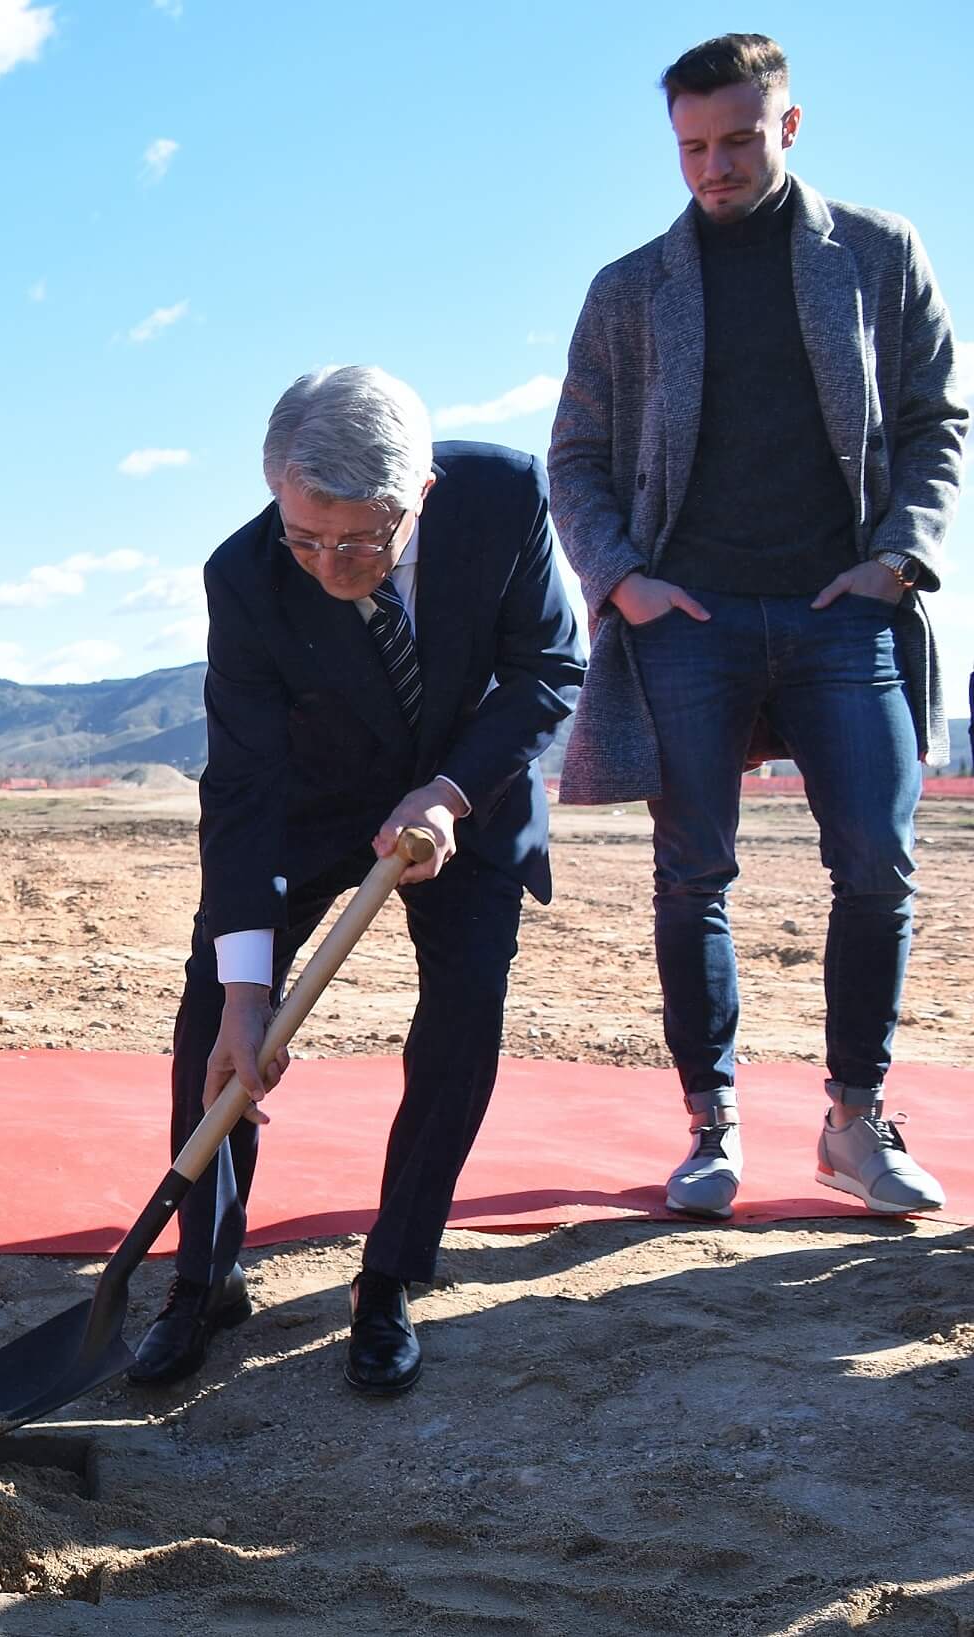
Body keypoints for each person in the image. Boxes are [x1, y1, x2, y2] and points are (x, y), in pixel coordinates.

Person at [548, 33, 965, 1221]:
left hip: (848, 610)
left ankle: (852, 1119)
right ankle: (708, 1127)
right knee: (691, 876)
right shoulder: (629, 290)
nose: (713, 166)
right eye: (690, 147)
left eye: (736, 139)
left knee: (877, 866)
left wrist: (897, 557)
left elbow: (939, 418)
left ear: (787, 126)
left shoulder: (877, 255)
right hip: (689, 618)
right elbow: (573, 456)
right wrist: (622, 580)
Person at [131, 366, 584, 1397]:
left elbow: (547, 669)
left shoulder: (502, 497)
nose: (327, 564)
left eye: (357, 541)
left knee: (465, 1008)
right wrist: (250, 994)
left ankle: (386, 1277)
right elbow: (241, 782)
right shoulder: (245, 575)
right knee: (214, 1016)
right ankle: (200, 1278)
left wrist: (450, 789)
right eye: (304, 536)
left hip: (466, 785)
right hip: (311, 800)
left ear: (416, 492)